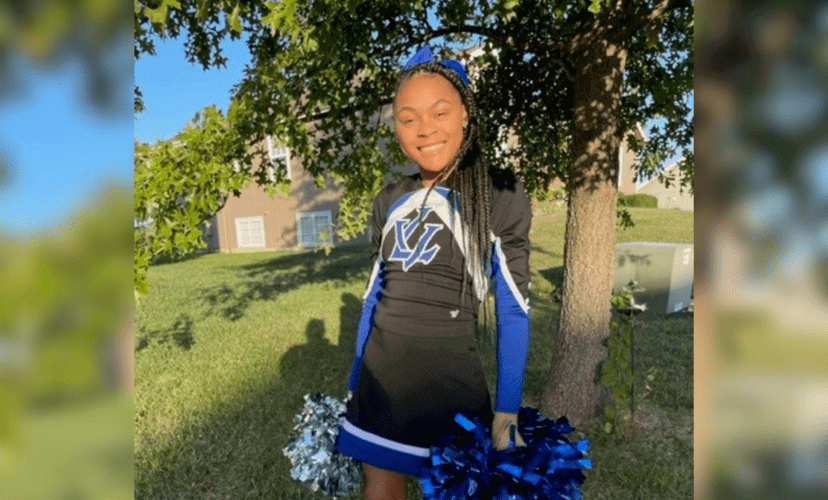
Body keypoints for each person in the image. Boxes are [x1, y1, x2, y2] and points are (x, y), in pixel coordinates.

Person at [335, 45, 532, 500]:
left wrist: (506, 412)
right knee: (380, 488)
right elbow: (372, 299)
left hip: (452, 387)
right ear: (396, 126)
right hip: (379, 386)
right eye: (408, 118)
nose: (424, 129)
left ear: (464, 113)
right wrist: (352, 386)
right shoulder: (388, 199)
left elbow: (515, 311)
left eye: (439, 112)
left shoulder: (497, 191)